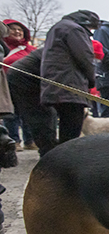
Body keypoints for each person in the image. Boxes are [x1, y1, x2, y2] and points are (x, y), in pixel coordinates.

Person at [40, 10, 100, 145]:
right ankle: (68, 162)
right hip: (70, 85)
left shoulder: (58, 27)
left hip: (55, 84)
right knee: (71, 131)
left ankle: (56, 158)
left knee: (61, 127)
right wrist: (91, 80)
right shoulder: (75, 30)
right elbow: (85, 58)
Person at [2, 19, 36, 150]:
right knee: (11, 115)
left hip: (28, 86)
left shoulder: (31, 49)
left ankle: (30, 140)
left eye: (20, 30)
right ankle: (14, 140)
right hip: (7, 85)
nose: (17, 32)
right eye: (13, 29)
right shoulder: (4, 49)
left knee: (28, 114)